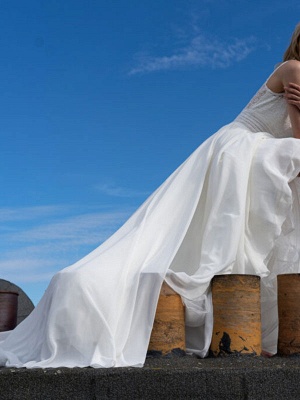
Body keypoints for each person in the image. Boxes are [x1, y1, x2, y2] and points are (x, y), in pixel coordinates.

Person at [1, 24, 300, 369]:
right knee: (219, 242)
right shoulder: (294, 69)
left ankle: (248, 328)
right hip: (239, 150)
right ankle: (228, 324)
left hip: (256, 156)